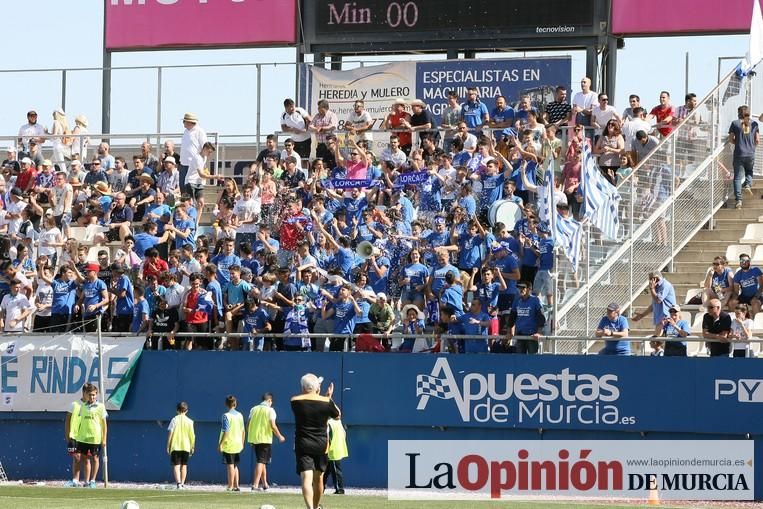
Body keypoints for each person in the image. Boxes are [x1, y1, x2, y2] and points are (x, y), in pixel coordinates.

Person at [290, 373, 340, 509]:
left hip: (303, 444)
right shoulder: (326, 401)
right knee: (318, 479)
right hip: (321, 444)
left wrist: (319, 393)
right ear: (317, 387)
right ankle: (316, 506)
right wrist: (328, 396)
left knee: (306, 478)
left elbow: (308, 399)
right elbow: (337, 415)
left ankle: (310, 508)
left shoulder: (295, 401)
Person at [247, 393, 286, 491]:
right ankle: (255, 485)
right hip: (264, 439)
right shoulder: (270, 410)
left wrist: (250, 435)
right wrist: (280, 436)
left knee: (262, 461)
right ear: (269, 400)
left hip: (254, 438)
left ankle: (265, 483)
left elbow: (248, 424)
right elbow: (273, 425)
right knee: (261, 461)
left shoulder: (253, 409)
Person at [73, 383, 107, 489]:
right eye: (90, 395)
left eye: (94, 395)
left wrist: (104, 438)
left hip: (95, 437)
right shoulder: (82, 406)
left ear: (96, 395)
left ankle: (93, 480)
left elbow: (104, 424)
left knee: (95, 458)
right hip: (83, 437)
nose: (92, 397)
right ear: (86, 395)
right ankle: (86, 481)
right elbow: (77, 421)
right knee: (85, 459)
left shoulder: (100, 407)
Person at [728, 105, 759, 208]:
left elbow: (731, 139)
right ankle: (747, 184)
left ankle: (739, 201)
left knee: (737, 177)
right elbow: (757, 140)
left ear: (739, 113)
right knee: (749, 171)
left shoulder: (735, 123)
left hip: (739, 153)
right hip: (750, 153)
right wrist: (751, 147)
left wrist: (738, 143)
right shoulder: (754, 124)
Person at [505, 281, 545, 354]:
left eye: (523, 288)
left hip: (532, 336)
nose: (521, 289)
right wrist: (509, 332)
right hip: (520, 335)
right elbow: (512, 317)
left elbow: (541, 317)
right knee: (520, 359)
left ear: (529, 289)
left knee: (532, 359)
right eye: (519, 288)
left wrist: (539, 333)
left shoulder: (535, 300)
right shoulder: (517, 300)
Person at [218, 394, 245, 492]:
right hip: (238, 443)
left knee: (230, 465)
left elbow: (226, 431)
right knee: (235, 465)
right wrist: (242, 443)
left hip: (229, 443)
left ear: (226, 404)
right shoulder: (240, 415)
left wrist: (221, 444)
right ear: (235, 404)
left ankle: (230, 486)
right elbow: (243, 431)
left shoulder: (226, 416)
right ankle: (236, 485)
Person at [167, 401, 195, 490]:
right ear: (186, 410)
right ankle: (182, 483)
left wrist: (168, 445)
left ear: (177, 410)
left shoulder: (174, 419)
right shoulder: (190, 421)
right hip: (186, 446)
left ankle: (178, 483)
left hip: (175, 446)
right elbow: (193, 436)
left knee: (176, 465)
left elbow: (170, 433)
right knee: (184, 465)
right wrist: (192, 446)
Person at [63, 386, 87, 487]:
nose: (90, 396)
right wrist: (68, 434)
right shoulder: (74, 405)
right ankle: (75, 480)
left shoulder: (94, 406)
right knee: (76, 457)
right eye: (88, 393)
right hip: (74, 436)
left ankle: (88, 481)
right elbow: (68, 420)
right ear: (84, 392)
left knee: (86, 458)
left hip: (87, 436)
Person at [325, 417, 348, 495]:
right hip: (338, 448)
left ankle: (340, 489)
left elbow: (327, 437)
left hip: (332, 450)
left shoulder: (328, 423)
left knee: (335, 470)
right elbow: (344, 433)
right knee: (325, 470)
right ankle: (321, 488)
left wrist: (326, 448)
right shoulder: (338, 422)